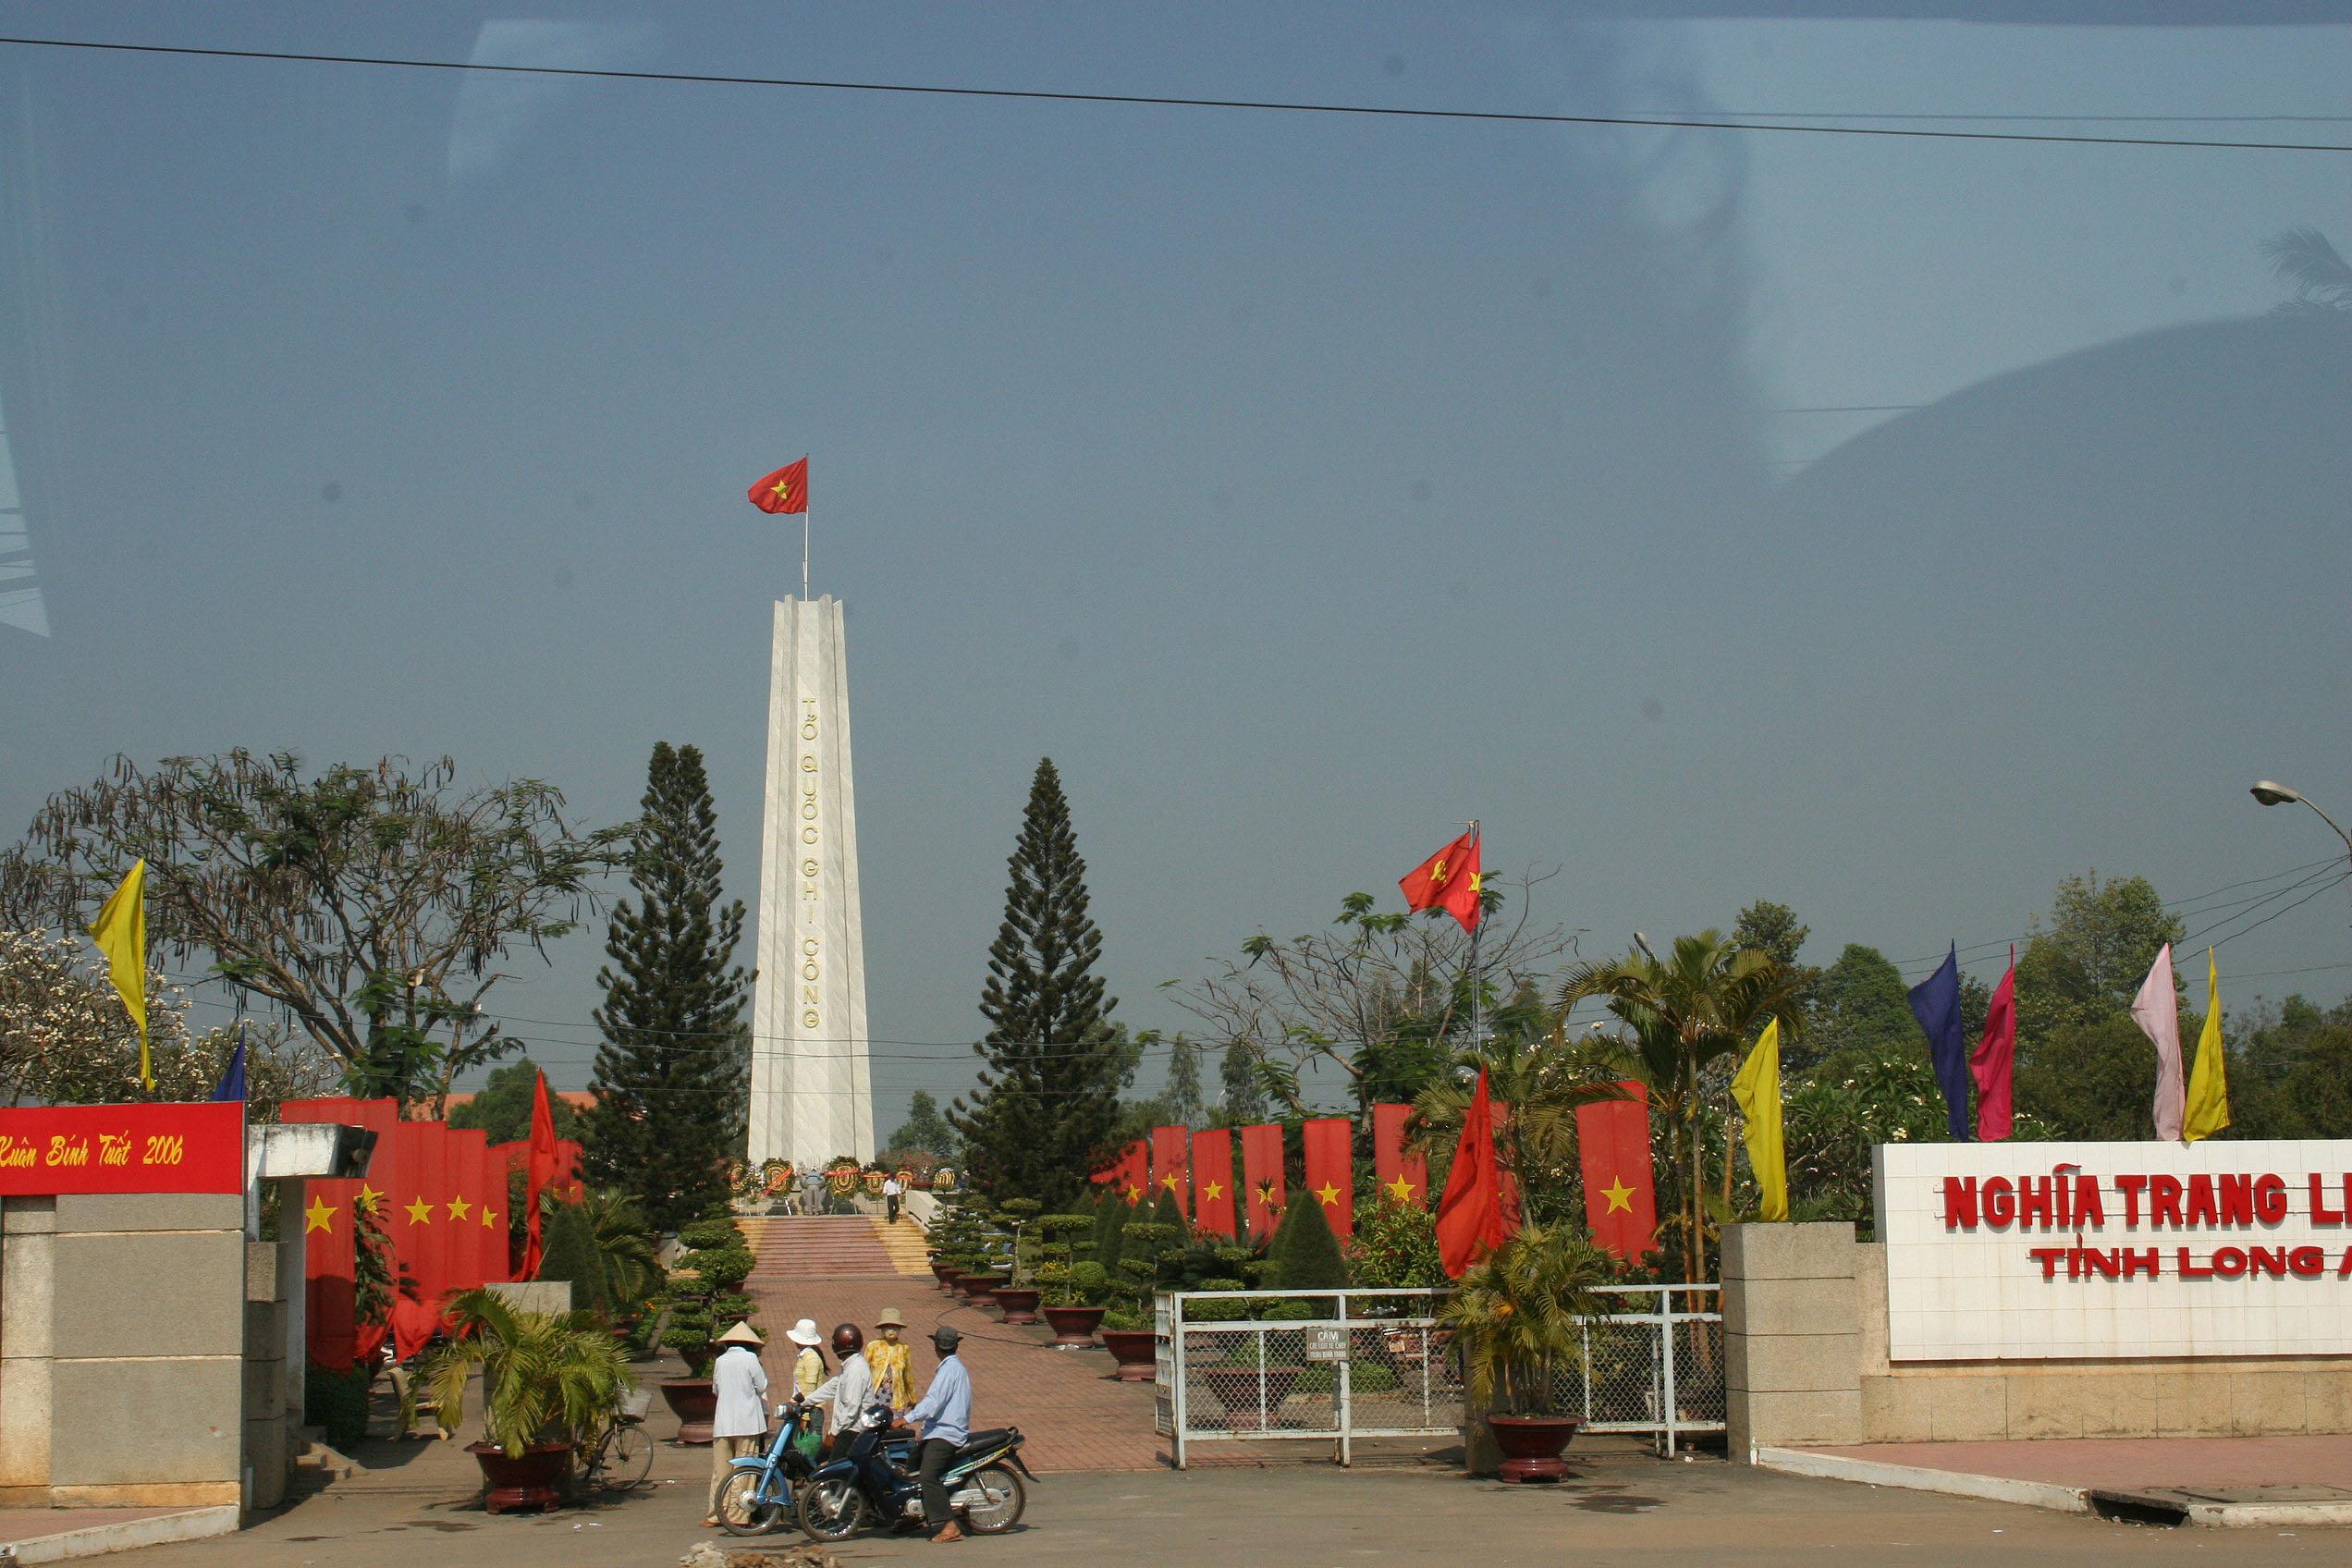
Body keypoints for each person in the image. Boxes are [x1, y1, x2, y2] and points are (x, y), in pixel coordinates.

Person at [902, 1324, 973, 1544]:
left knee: (928, 1476)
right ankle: (912, 1515)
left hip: (947, 1434)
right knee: (910, 1468)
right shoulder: (952, 1367)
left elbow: (934, 1402)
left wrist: (907, 1418)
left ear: (936, 1347)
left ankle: (950, 1525)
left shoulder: (949, 1370)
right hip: (937, 1431)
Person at [702, 1320, 767, 1529]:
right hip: (747, 1422)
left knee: (720, 1471)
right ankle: (738, 1515)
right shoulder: (751, 1359)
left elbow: (716, 1389)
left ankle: (715, 1514)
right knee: (745, 1470)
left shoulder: (720, 1361)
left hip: (723, 1422)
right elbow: (762, 1386)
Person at [809, 1323, 882, 1458]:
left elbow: (851, 1408)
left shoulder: (855, 1370)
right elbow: (833, 1386)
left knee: (832, 1467)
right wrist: (805, 1401)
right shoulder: (851, 1365)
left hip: (853, 1431)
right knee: (819, 1460)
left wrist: (833, 1434)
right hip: (846, 1427)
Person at [867, 1307, 913, 1415]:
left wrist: (912, 1397)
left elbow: (908, 1375)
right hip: (875, 1397)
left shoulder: (903, 1348)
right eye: (888, 1328)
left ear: (899, 1330)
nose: (891, 1331)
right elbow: (864, 1371)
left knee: (895, 1423)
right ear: (882, 1329)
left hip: (896, 1400)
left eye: (895, 1328)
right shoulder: (873, 1346)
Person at [788, 1317, 828, 1403]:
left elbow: (810, 1389)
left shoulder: (811, 1358)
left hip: (808, 1407)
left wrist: (795, 1403)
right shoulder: (806, 1355)